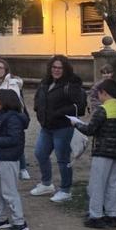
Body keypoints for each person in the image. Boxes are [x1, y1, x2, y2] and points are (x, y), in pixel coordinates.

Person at [72, 79, 116, 229]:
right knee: (112, 184)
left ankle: (96, 215)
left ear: (104, 93)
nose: (98, 96)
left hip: (103, 151)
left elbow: (90, 130)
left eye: (98, 93)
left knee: (97, 184)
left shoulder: (102, 110)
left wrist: (76, 123)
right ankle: (112, 215)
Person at [32, 55, 86, 203]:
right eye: (54, 67)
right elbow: (39, 98)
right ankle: (46, 184)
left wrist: (59, 112)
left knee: (62, 159)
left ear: (65, 69)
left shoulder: (72, 84)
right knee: (40, 153)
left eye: (59, 68)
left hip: (63, 127)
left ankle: (65, 190)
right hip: (47, 126)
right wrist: (38, 108)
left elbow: (80, 106)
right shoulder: (46, 81)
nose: (56, 70)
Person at [0, 89, 30, 230]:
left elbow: (14, 139)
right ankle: (1, 218)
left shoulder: (14, 118)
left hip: (8, 157)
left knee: (9, 191)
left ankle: (19, 221)